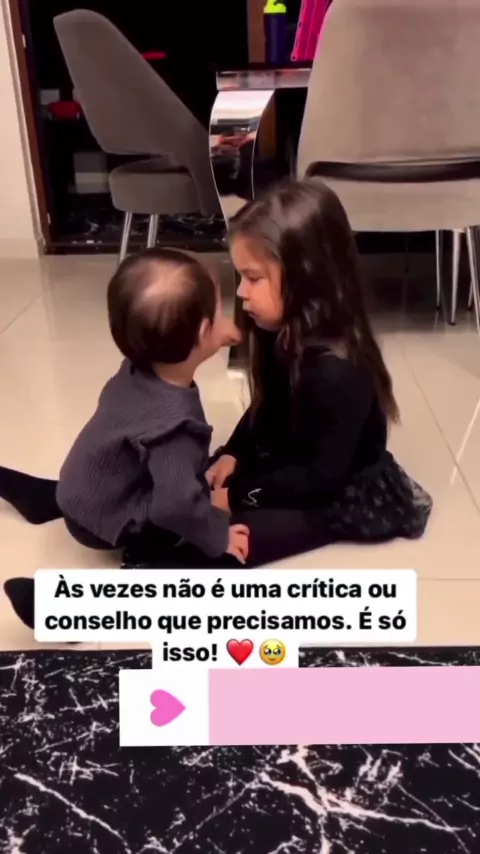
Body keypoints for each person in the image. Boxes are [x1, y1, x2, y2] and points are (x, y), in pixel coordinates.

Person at [3, 179, 432, 627]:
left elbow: (321, 478)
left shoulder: (338, 372)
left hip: (331, 493)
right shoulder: (282, 328)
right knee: (181, 485)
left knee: (222, 543)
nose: (240, 293)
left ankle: (80, 608)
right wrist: (233, 453)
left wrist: (237, 494)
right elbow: (267, 406)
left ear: (308, 277)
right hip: (288, 464)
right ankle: (61, 499)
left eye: (253, 278)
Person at [1, 247, 249, 627]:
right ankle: (79, 604)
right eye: (219, 313)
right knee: (194, 546)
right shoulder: (175, 428)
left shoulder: (135, 369)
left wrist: (221, 333)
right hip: (101, 526)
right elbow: (174, 507)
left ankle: (42, 499)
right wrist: (217, 535)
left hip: (78, 491)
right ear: (202, 333)